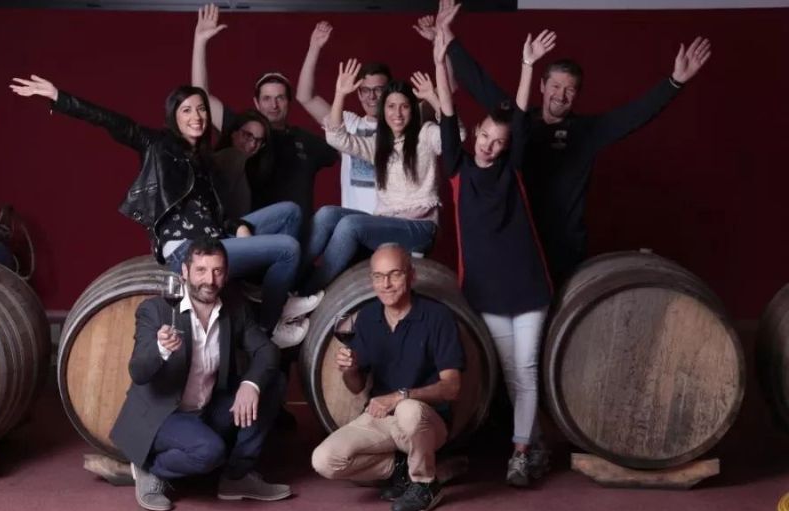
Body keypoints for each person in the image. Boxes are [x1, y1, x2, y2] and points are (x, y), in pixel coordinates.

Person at [9, 76, 319, 347]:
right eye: (187, 110)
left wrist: (237, 225)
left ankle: (272, 295)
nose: (196, 116)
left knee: (290, 212)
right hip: (188, 249)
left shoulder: (203, 160)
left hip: (216, 237)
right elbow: (115, 123)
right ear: (174, 116)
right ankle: (269, 327)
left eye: (201, 109)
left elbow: (214, 213)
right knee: (288, 248)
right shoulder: (158, 146)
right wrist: (59, 97)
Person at [435, 0, 712, 284]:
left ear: (576, 95)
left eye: (569, 90)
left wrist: (674, 82)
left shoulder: (586, 132)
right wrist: (448, 36)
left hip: (564, 248)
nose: (561, 95)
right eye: (555, 86)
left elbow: (633, 115)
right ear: (542, 86)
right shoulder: (520, 120)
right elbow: (479, 83)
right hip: (519, 242)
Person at [434, 7, 556, 486]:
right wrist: (439, 51)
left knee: (526, 369)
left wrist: (527, 66)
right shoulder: (458, 170)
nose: (488, 145)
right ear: (475, 135)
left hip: (528, 288)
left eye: (497, 141)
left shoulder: (512, 172)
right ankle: (534, 443)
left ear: (506, 148)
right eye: (484, 135)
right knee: (511, 374)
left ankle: (520, 453)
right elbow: (447, 111)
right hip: (485, 292)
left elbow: (521, 120)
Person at [109, 237, 290, 511]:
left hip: (207, 408)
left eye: (217, 271)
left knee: (272, 382)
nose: (210, 280)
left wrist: (251, 384)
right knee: (210, 451)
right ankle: (150, 469)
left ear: (226, 274)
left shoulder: (234, 307)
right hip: (163, 415)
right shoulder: (156, 310)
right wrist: (160, 349)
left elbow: (267, 350)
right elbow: (139, 372)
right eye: (201, 270)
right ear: (184, 271)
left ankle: (236, 476)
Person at [311, 244, 464, 511]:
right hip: (381, 419)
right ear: (371, 279)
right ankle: (401, 469)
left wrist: (399, 396)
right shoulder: (368, 317)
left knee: (408, 409)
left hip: (426, 423)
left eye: (395, 274)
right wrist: (350, 370)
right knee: (324, 460)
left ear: (411, 276)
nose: (386, 284)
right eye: (379, 276)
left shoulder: (437, 316)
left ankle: (425, 484)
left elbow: (452, 388)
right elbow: (356, 387)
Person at [300, 61, 461, 295]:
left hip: (420, 228)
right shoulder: (379, 146)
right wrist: (340, 94)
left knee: (350, 225)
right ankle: (294, 281)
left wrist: (434, 99)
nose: (397, 114)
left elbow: (457, 137)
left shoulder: (426, 134)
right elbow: (337, 138)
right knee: (327, 214)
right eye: (391, 107)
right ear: (383, 111)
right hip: (387, 222)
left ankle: (309, 292)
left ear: (413, 109)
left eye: (404, 107)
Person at [191, 4, 339, 235]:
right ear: (257, 102)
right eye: (267, 98)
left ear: (289, 102)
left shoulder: (305, 141)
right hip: (253, 237)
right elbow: (202, 99)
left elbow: (344, 140)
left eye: (280, 98)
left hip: (299, 242)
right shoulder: (244, 131)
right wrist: (200, 42)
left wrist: (314, 49)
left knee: (332, 218)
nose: (273, 104)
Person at [295, 21, 392, 214]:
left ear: (390, 91)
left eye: (378, 90)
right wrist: (314, 47)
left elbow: (445, 94)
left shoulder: (403, 123)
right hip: (354, 222)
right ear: (359, 93)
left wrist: (441, 44)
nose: (372, 97)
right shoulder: (347, 122)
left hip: (390, 221)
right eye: (365, 90)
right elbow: (306, 97)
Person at [213, 109, 273, 220]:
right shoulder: (226, 157)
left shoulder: (253, 170)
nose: (253, 144)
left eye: (259, 140)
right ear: (234, 133)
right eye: (247, 135)